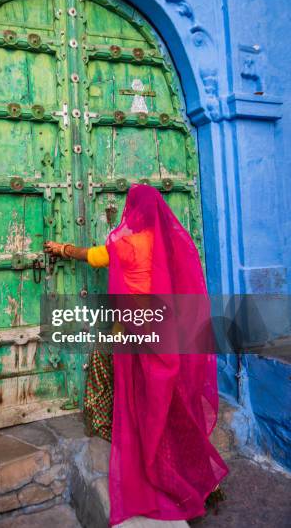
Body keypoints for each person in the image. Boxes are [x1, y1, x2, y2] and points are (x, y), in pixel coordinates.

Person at [44, 184, 228, 525]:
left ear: (133, 210)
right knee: (168, 401)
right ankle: (192, 478)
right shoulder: (168, 241)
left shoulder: (123, 242)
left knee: (120, 380)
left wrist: (62, 248)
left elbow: (94, 256)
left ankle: (134, 446)